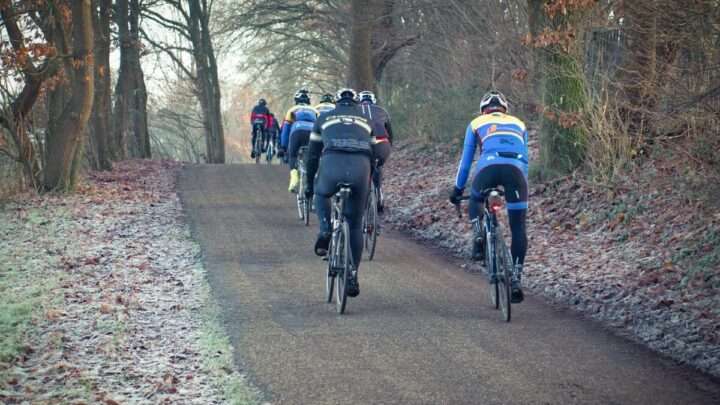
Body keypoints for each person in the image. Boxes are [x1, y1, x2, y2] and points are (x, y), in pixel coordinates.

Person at [449, 90, 529, 303]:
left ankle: (478, 236)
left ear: (483, 110)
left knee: (476, 198)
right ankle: (516, 278)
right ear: (505, 110)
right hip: (516, 173)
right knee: (518, 227)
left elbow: (465, 164)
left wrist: (457, 190)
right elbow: (525, 160)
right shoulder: (519, 124)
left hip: (488, 169)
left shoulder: (476, 123)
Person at [304, 88, 377, 298]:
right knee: (354, 224)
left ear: (336, 103)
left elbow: (312, 157)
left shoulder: (323, 117)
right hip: (360, 168)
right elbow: (375, 155)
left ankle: (325, 230)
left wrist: (309, 185)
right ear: (355, 103)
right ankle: (352, 274)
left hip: (331, 165)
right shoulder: (366, 120)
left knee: (321, 193)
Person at [358, 90, 393, 213]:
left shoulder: (355, 111)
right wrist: (389, 148)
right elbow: (390, 133)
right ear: (373, 101)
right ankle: (378, 192)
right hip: (382, 143)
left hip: (363, 143)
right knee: (378, 166)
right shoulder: (382, 111)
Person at [280, 89, 318, 192]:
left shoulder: (292, 110)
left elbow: (286, 130)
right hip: (311, 131)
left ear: (295, 100)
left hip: (297, 131)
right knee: (315, 156)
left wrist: (283, 147)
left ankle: (294, 177)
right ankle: (315, 179)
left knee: (292, 155)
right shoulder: (315, 110)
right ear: (309, 101)